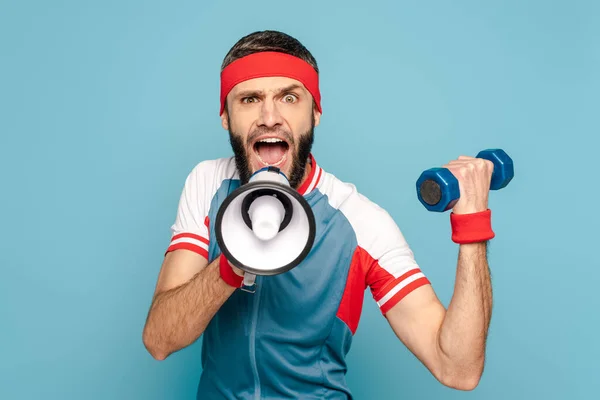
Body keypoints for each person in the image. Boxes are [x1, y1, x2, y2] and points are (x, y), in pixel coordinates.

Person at [142, 30, 495, 399]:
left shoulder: (361, 223)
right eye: (249, 99)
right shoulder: (207, 183)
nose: (269, 117)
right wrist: (233, 263)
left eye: (289, 97)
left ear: (315, 113)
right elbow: (159, 339)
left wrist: (473, 226)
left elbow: (458, 369)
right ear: (225, 117)